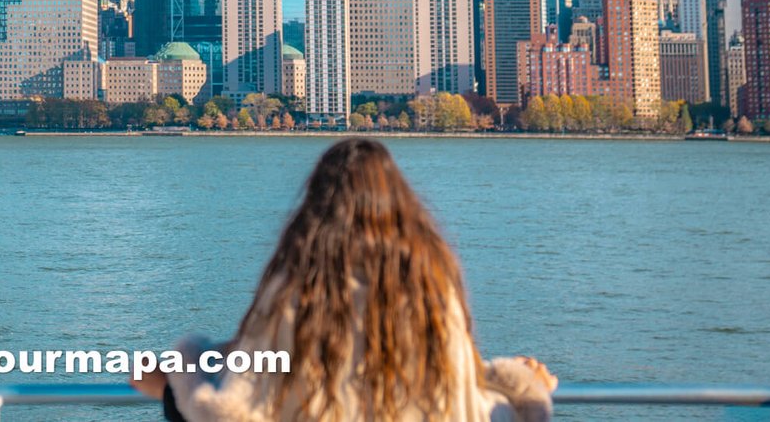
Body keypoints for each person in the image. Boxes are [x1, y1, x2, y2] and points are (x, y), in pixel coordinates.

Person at [132, 138, 556, 421]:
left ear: (314, 212)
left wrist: (186, 361)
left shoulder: (298, 290)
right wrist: (524, 384)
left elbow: (235, 404)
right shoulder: (433, 290)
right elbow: (458, 391)